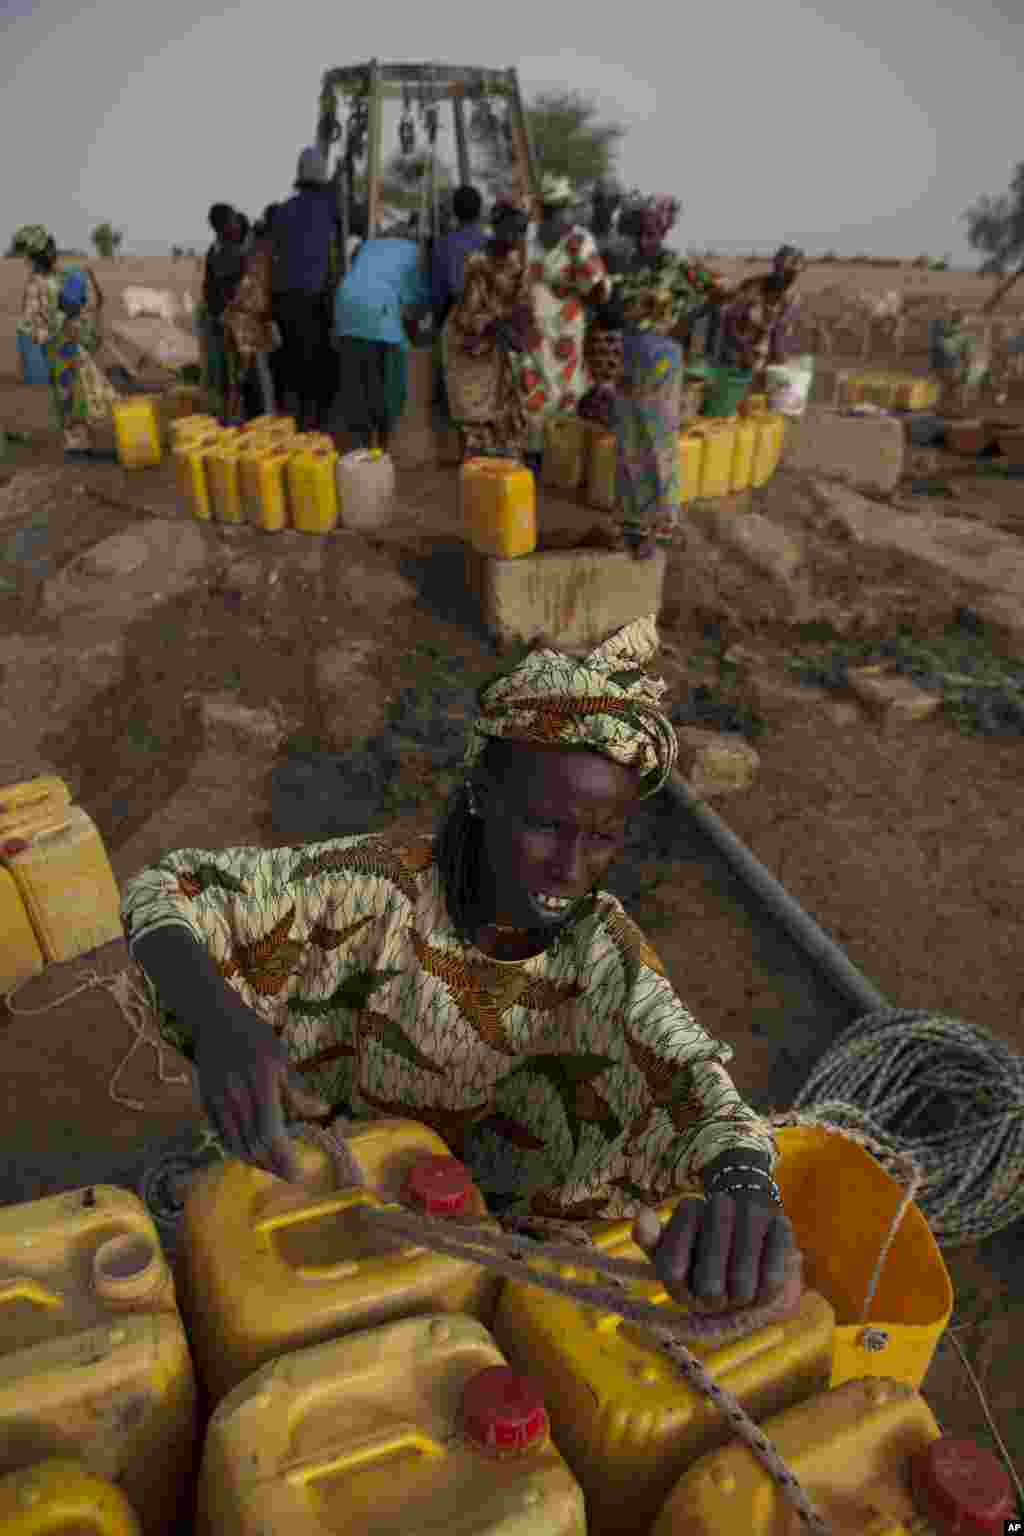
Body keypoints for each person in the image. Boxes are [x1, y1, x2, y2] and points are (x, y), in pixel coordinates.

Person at [121, 615, 795, 1311]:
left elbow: (700, 1087)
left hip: (486, 1259)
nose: (568, 870)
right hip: (324, 1190)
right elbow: (164, 892)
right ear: (481, 794)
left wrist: (745, 1188)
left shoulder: (603, 959)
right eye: (544, 825)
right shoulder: (374, 889)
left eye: (602, 838)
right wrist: (220, 1023)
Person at [606, 195, 708, 559]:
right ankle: (629, 524)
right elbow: (613, 306)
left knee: (657, 438)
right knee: (629, 438)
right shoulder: (627, 265)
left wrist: (680, 325)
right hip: (630, 354)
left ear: (664, 232)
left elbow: (711, 294)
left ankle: (657, 526)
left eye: (653, 233)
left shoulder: (677, 265)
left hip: (663, 357)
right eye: (642, 233)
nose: (647, 240)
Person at [514, 174, 612, 467]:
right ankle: (553, 457)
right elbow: (598, 288)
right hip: (556, 327)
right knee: (556, 390)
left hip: (543, 326)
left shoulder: (532, 236)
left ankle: (540, 456)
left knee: (539, 389)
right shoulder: (576, 239)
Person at [332, 211, 431, 452]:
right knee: (387, 384)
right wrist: (416, 329)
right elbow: (416, 300)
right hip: (378, 312)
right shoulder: (412, 252)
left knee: (358, 382)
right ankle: (384, 447)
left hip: (346, 307)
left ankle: (361, 447)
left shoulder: (370, 244)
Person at [443, 201, 534, 460]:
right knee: (474, 415)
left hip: (495, 342)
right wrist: (504, 330)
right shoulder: (478, 261)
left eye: (520, 232)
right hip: (467, 340)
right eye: (510, 230)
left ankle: (496, 473)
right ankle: (478, 473)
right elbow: (470, 311)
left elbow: (523, 304)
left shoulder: (518, 262)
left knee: (504, 408)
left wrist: (520, 331)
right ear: (495, 228)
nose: (515, 237)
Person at [271, 146, 343, 432]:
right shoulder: (329, 204)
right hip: (315, 297)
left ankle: (299, 423)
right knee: (322, 363)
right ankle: (316, 427)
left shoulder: (284, 210)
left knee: (294, 363)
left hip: (285, 299)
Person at [48, 267, 120, 460]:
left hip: (67, 374)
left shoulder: (62, 319)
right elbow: (92, 343)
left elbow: (92, 342)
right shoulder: (70, 324)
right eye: (83, 297)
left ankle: (80, 446)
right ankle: (77, 450)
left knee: (75, 409)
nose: (84, 303)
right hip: (69, 375)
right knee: (75, 410)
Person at [430, 184, 488, 423]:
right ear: (480, 210)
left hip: (455, 321)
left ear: (455, 211)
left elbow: (438, 295)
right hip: (487, 324)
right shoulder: (490, 243)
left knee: (454, 394)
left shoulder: (444, 245)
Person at [717, 245, 805, 384]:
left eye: (792, 274)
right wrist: (742, 347)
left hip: (763, 357)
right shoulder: (754, 287)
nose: (787, 277)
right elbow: (729, 319)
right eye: (782, 270)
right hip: (738, 353)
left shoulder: (793, 297)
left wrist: (779, 363)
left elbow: (780, 330)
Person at [223, 203, 280, 421]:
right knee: (256, 379)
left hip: (242, 319)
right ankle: (253, 424)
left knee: (243, 380)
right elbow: (258, 296)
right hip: (247, 323)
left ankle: (237, 422)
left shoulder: (256, 246)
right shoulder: (267, 249)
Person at [201, 204, 248, 420]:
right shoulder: (228, 252)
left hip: (223, 320)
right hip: (230, 321)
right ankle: (229, 418)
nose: (236, 224)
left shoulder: (220, 249)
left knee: (227, 375)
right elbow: (215, 290)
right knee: (232, 375)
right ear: (223, 226)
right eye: (232, 220)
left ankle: (226, 416)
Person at [15, 226, 61, 384]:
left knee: (41, 379)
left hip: (41, 334)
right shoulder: (42, 280)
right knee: (39, 380)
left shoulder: (42, 279)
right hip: (35, 334)